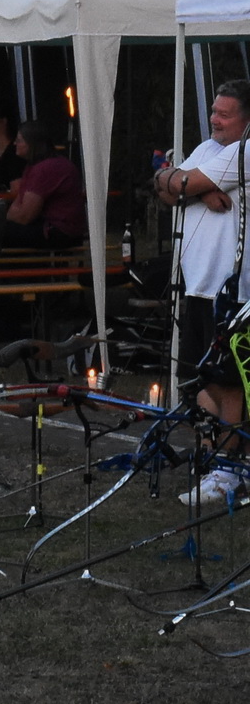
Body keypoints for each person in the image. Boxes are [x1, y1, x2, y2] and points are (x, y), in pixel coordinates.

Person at [153, 80, 250, 504]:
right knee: (198, 380)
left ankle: (230, 469)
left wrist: (186, 185)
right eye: (213, 111)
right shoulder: (209, 148)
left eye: (225, 114)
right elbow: (165, 188)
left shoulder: (245, 151)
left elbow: (178, 185)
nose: (215, 120)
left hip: (230, 291)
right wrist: (198, 187)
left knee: (228, 384)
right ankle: (216, 461)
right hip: (198, 288)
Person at [0, 121, 84, 249]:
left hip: (59, 231)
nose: (14, 144)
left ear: (31, 143)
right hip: (59, 228)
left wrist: (7, 216)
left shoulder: (44, 169)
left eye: (19, 140)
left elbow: (24, 216)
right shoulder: (40, 166)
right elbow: (20, 205)